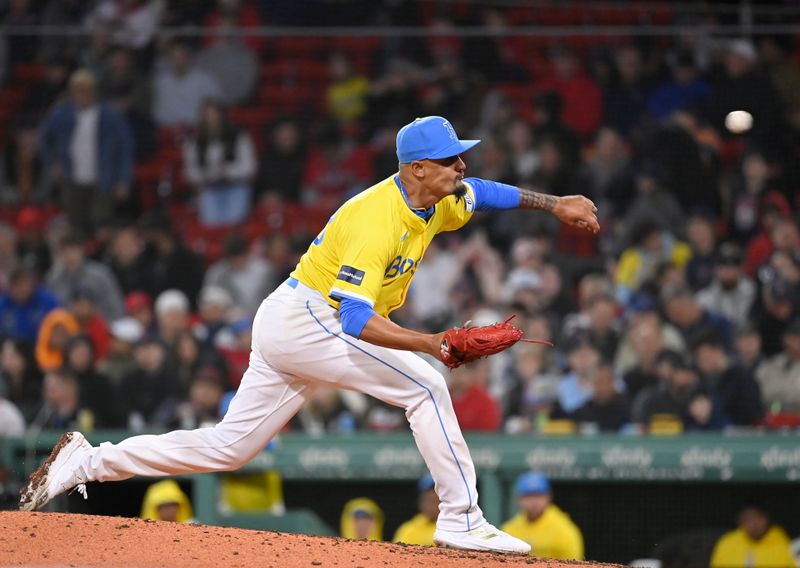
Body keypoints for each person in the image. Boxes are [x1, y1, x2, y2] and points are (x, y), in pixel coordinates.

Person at [20, 115, 598, 554]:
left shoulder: (440, 198)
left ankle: (87, 462)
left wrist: (554, 205)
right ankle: (461, 515)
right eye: (451, 160)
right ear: (416, 168)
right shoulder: (378, 219)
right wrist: (429, 344)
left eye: (460, 158)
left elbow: (487, 193)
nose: (461, 167)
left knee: (230, 447)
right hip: (311, 319)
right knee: (425, 385)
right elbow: (354, 322)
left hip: (292, 320)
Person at [38, 69, 134, 235]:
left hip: (103, 179)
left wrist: (123, 180)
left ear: (94, 92)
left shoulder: (110, 116)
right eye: (77, 92)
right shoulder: (62, 114)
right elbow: (44, 137)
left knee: (101, 224)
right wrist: (52, 163)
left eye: (85, 92)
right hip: (72, 179)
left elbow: (126, 148)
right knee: (75, 226)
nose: (81, 97)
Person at [183, 100, 257, 227]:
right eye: (207, 116)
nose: (212, 120)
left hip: (236, 186)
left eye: (215, 115)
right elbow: (190, 173)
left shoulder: (238, 136)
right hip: (209, 188)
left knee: (235, 222)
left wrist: (227, 170)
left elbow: (250, 167)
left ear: (222, 116)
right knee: (211, 223)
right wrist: (209, 173)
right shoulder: (194, 142)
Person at [501, 472, 584, 560]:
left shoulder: (564, 528)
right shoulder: (509, 529)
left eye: (538, 495)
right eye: (528, 496)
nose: (534, 501)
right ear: (518, 498)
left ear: (548, 496)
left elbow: (575, 562)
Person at [710, 506, 796, 568]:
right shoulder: (728, 542)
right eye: (747, 520)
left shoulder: (782, 541)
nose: (753, 525)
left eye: (757, 518)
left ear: (766, 519)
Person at [393, 473, 439, 546]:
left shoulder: (457, 526)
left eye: (436, 500)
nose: (431, 506)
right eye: (428, 500)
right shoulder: (408, 529)